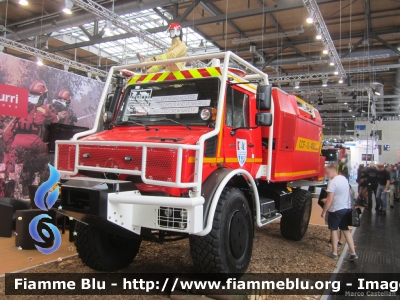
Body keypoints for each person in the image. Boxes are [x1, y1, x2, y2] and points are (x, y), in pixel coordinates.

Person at [321, 164, 358, 261]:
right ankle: (353, 253)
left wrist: (324, 211)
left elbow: (329, 200)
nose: (326, 175)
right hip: (346, 208)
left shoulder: (332, 183)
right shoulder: (344, 179)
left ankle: (334, 252)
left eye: (327, 173)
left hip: (336, 209)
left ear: (332, 171)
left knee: (333, 230)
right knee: (345, 230)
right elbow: (349, 193)